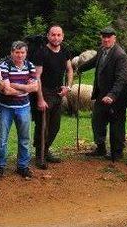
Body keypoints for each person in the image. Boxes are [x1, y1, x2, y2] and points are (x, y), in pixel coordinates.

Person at [79, 26, 127, 161]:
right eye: (104, 37)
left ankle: (117, 153)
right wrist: (80, 68)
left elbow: (121, 79)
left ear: (114, 38)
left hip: (116, 97)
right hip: (101, 94)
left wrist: (112, 95)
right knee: (97, 121)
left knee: (116, 125)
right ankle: (100, 148)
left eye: (109, 37)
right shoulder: (102, 50)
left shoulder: (120, 55)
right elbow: (94, 61)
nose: (106, 39)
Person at [0, 41, 39, 179]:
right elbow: (6, 90)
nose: (20, 55)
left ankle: (23, 166)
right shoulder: (4, 66)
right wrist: (25, 88)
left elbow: (35, 88)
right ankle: (0, 166)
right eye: (17, 52)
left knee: (25, 138)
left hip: (24, 107)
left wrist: (16, 86)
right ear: (12, 53)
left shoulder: (30, 65)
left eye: (22, 52)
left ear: (26, 53)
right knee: (2, 139)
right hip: (5, 108)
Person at [33, 25, 73, 169]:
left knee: (55, 126)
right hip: (44, 91)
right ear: (48, 36)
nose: (56, 38)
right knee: (43, 125)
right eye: (53, 35)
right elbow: (37, 77)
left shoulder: (65, 51)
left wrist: (67, 87)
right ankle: (40, 156)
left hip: (58, 92)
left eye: (58, 35)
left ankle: (46, 149)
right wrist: (40, 98)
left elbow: (69, 70)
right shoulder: (41, 52)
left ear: (62, 36)